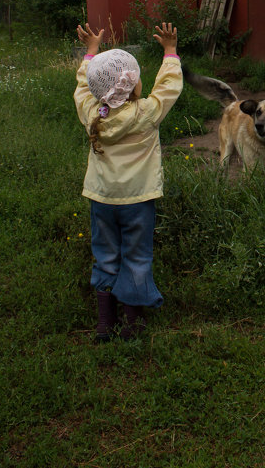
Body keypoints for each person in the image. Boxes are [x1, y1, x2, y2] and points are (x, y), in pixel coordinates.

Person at [74, 21, 183, 342]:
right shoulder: (147, 113)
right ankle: (133, 321)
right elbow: (169, 86)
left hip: (101, 198)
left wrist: (90, 52)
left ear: (98, 91)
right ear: (134, 86)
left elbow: (82, 85)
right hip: (138, 200)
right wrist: (170, 50)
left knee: (106, 254)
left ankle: (105, 322)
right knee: (136, 255)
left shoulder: (91, 113)